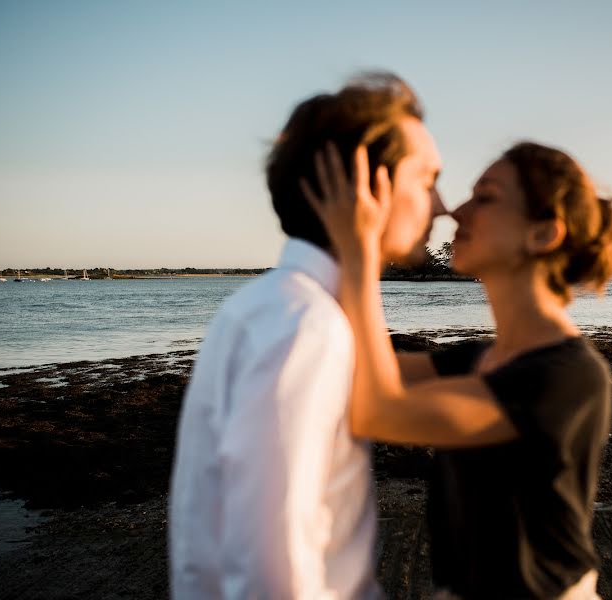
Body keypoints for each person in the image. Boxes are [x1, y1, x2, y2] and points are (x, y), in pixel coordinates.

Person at [168, 73, 445, 599]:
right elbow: (272, 572)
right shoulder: (307, 327)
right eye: (428, 179)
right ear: (367, 184)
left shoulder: (264, 308)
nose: (442, 204)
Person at [306, 140, 612, 599]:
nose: (457, 211)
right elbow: (354, 369)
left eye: (486, 198)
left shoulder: (567, 376)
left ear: (542, 234)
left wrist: (360, 252)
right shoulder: (478, 360)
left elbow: (378, 411)